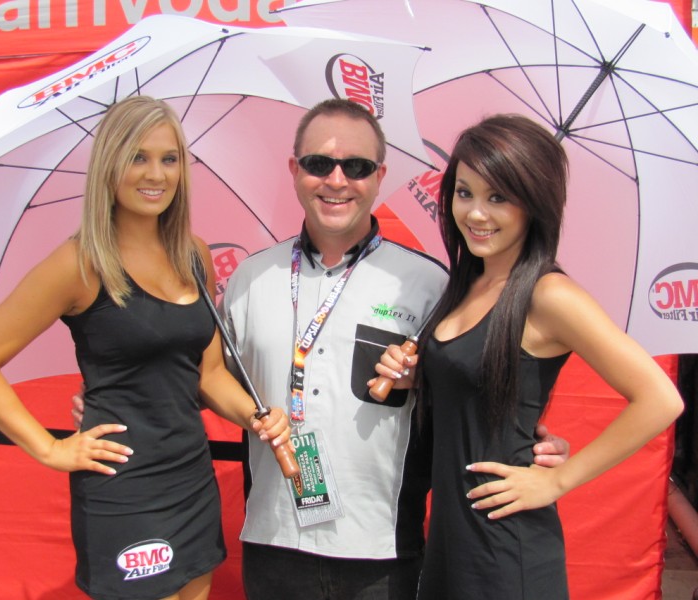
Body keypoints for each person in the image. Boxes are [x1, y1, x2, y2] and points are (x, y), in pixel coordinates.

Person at [218, 100, 569, 600]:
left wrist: (530, 440)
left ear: (380, 176)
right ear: (295, 169)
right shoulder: (249, 279)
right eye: (319, 163)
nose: (337, 180)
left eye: (357, 167)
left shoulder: (431, 284)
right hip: (272, 541)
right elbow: (207, 380)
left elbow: (475, 383)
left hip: (383, 551)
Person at [0, 96, 292, 600]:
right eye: (137, 157)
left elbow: (208, 374)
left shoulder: (193, 254)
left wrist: (256, 416)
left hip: (191, 479)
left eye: (169, 158)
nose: (156, 174)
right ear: (109, 166)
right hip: (124, 489)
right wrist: (50, 448)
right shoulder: (80, 264)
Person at [374, 114, 684, 598]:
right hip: (450, 543)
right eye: (464, 192)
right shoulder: (467, 283)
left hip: (505, 551)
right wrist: (418, 375)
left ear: (534, 203)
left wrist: (558, 481)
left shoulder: (549, 295)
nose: (476, 213)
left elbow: (661, 399)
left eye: (499, 197)